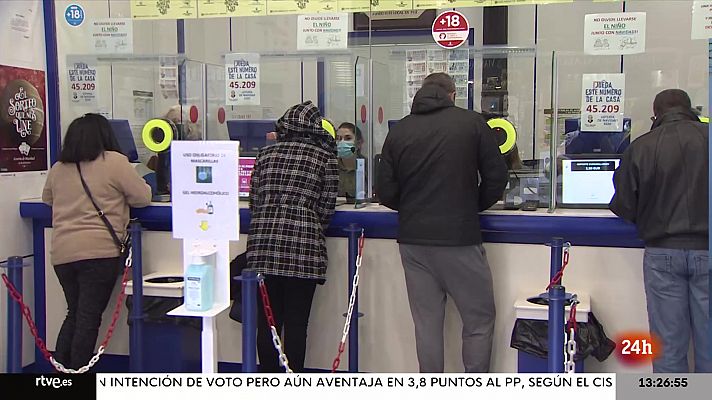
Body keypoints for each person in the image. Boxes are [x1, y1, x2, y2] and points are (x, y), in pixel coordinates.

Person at [376, 73, 508, 372]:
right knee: (478, 321)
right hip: (459, 237)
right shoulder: (472, 123)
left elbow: (385, 191)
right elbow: (496, 177)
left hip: (412, 241)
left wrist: (412, 208)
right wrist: (470, 206)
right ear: (453, 94)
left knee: (427, 325)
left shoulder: (400, 130)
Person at [609, 89, 711, 373]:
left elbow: (624, 204)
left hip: (661, 253)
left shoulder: (641, 147)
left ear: (656, 115)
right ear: (691, 109)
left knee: (667, 349)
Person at [42, 114, 152, 370]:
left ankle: (61, 373)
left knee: (75, 313)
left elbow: (47, 199)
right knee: (88, 318)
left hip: (62, 254)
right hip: (99, 253)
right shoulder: (114, 162)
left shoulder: (59, 168)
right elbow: (143, 197)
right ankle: (75, 373)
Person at [247, 101, 339, 372]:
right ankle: (294, 379)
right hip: (304, 247)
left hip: (263, 244)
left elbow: (254, 200)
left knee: (267, 322)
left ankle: (267, 380)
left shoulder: (265, 154)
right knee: (297, 324)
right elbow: (326, 209)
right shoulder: (325, 158)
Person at [336, 122, 365, 200]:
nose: (342, 142)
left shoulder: (368, 168)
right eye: (338, 138)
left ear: (358, 143)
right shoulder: (331, 167)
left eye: (348, 138)